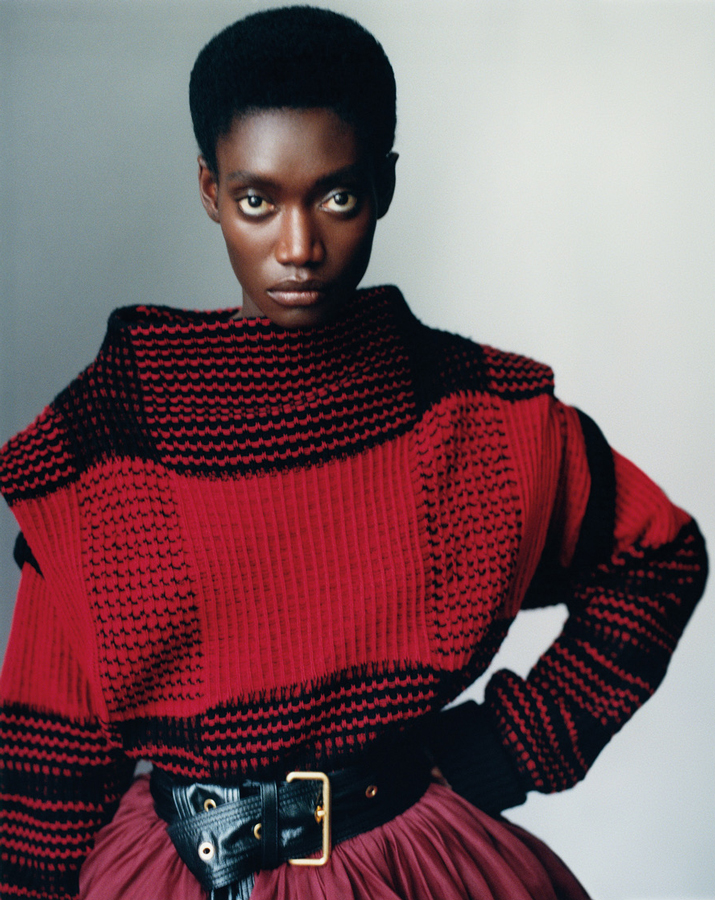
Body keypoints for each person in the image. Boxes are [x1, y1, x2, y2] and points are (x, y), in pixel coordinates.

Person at [0, 6, 707, 900]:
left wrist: (506, 748)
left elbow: (658, 556)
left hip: (414, 867)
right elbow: (47, 756)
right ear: (210, 190)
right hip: (172, 872)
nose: (298, 248)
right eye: (257, 201)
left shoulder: (475, 416)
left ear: (384, 183)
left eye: (336, 197)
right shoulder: (112, 443)